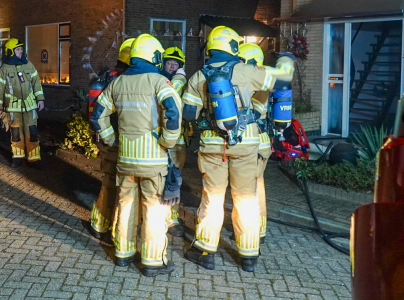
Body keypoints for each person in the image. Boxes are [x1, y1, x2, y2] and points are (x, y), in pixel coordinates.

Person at [181, 26, 293, 273]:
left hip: (212, 145)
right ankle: (249, 254)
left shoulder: (199, 76)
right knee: (245, 197)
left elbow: (189, 113)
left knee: (212, 197)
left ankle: (204, 251)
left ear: (211, 47)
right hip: (245, 144)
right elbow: (281, 80)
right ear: (233, 46)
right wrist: (286, 61)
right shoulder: (246, 70)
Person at [91, 34, 182, 277]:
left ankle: (123, 253)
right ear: (154, 56)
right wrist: (167, 142)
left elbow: (97, 115)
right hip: (153, 161)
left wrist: (112, 139)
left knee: (125, 204)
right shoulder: (159, 81)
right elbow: (173, 113)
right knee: (154, 209)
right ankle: (152, 262)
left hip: (125, 159)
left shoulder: (117, 83)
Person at [87, 38, 134, 240]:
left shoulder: (105, 78)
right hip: (125, 141)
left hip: (107, 139)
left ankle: (99, 225)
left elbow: (94, 116)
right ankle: (120, 233)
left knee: (109, 182)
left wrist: (107, 138)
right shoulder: (130, 81)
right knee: (126, 188)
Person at [238, 43, 272, 243]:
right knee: (253, 186)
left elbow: (253, 113)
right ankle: (256, 227)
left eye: (241, 60)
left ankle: (255, 229)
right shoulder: (261, 79)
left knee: (252, 189)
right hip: (258, 142)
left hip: (256, 142)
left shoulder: (260, 84)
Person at [0, 38, 45, 169]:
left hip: (30, 107)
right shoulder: (4, 68)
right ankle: (18, 158)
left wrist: (40, 99)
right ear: (11, 51)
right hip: (13, 108)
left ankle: (34, 159)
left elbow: (36, 83)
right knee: (15, 135)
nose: (20, 51)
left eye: (21, 49)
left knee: (32, 133)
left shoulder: (29, 65)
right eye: (17, 49)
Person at [160, 47, 187, 237]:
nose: (172, 66)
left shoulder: (183, 84)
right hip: (160, 139)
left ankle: (172, 218)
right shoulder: (159, 81)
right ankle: (157, 216)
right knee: (159, 179)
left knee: (175, 180)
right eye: (169, 63)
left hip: (178, 140)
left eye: (176, 64)